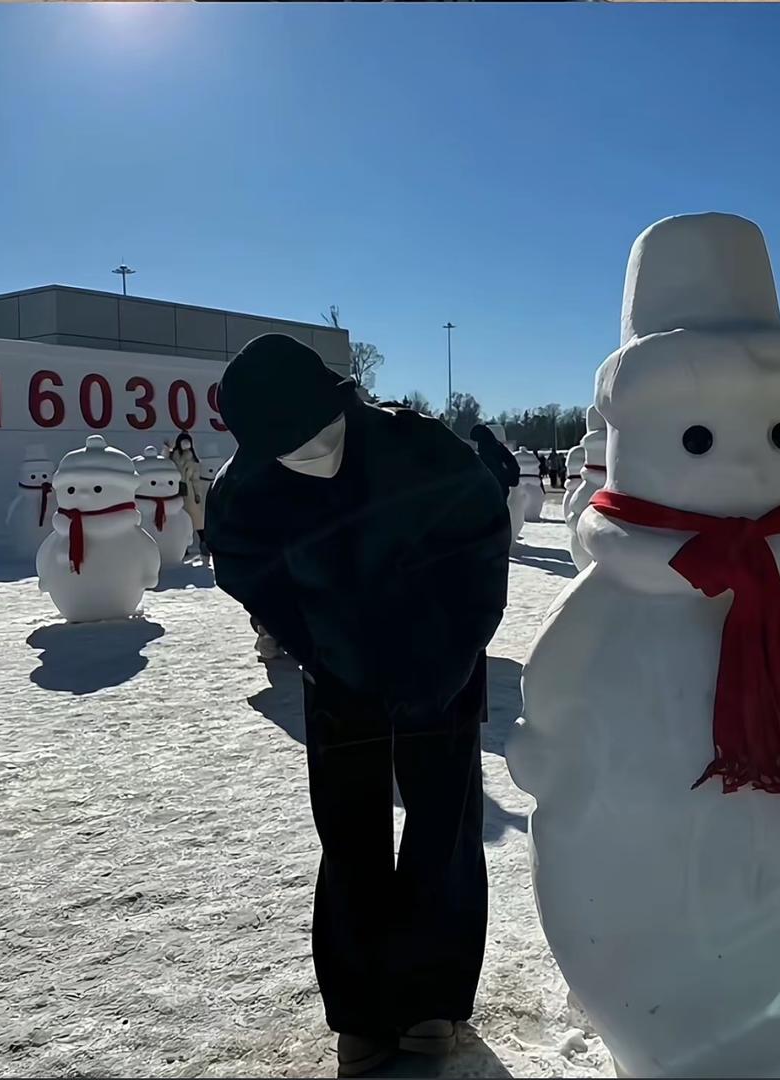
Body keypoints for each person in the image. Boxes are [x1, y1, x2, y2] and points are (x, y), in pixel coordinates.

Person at [205, 334, 510, 1078]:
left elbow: (482, 544)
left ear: (340, 404)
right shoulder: (245, 485)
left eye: (315, 437)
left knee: (442, 828)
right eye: (284, 448)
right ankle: (363, 1011)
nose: (306, 454)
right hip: (340, 682)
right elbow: (243, 566)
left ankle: (433, 1000)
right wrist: (317, 643)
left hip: (441, 666)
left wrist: (453, 651)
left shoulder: (422, 447)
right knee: (351, 841)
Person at [167, 431, 208, 563]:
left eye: (188, 441)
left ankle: (204, 543)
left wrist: (197, 494)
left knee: (196, 520)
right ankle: (183, 548)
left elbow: (196, 479)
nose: (186, 444)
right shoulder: (174, 456)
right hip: (176, 490)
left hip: (189, 491)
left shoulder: (193, 460)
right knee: (180, 521)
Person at [469, 424, 519, 502]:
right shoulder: (498, 446)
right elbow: (512, 462)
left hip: (492, 487)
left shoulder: (486, 450)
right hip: (499, 486)